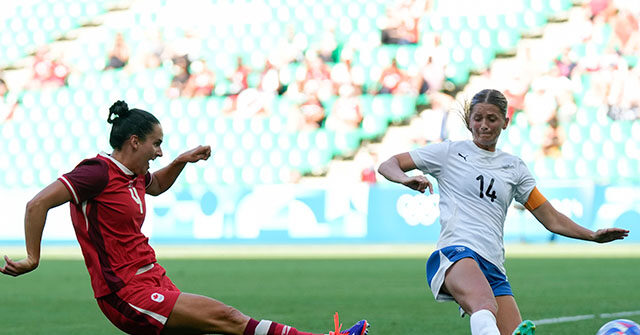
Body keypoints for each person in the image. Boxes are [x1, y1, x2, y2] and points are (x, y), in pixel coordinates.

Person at [0, 100, 369, 335]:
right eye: (156, 144)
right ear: (133, 142)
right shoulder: (96, 172)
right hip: (124, 292)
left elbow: (156, 185)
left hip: (151, 277)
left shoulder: (133, 175)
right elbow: (37, 204)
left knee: (221, 327)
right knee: (228, 318)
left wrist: (181, 161)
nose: (160, 152)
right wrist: (33, 258)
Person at [377, 89, 629, 335]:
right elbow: (389, 164)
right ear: (469, 121)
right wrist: (404, 179)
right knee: (484, 305)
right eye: (478, 118)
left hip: (493, 266)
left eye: (492, 118)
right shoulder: (449, 152)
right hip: (455, 253)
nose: (484, 125)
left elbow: (551, 218)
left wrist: (593, 236)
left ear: (505, 122)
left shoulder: (514, 168)